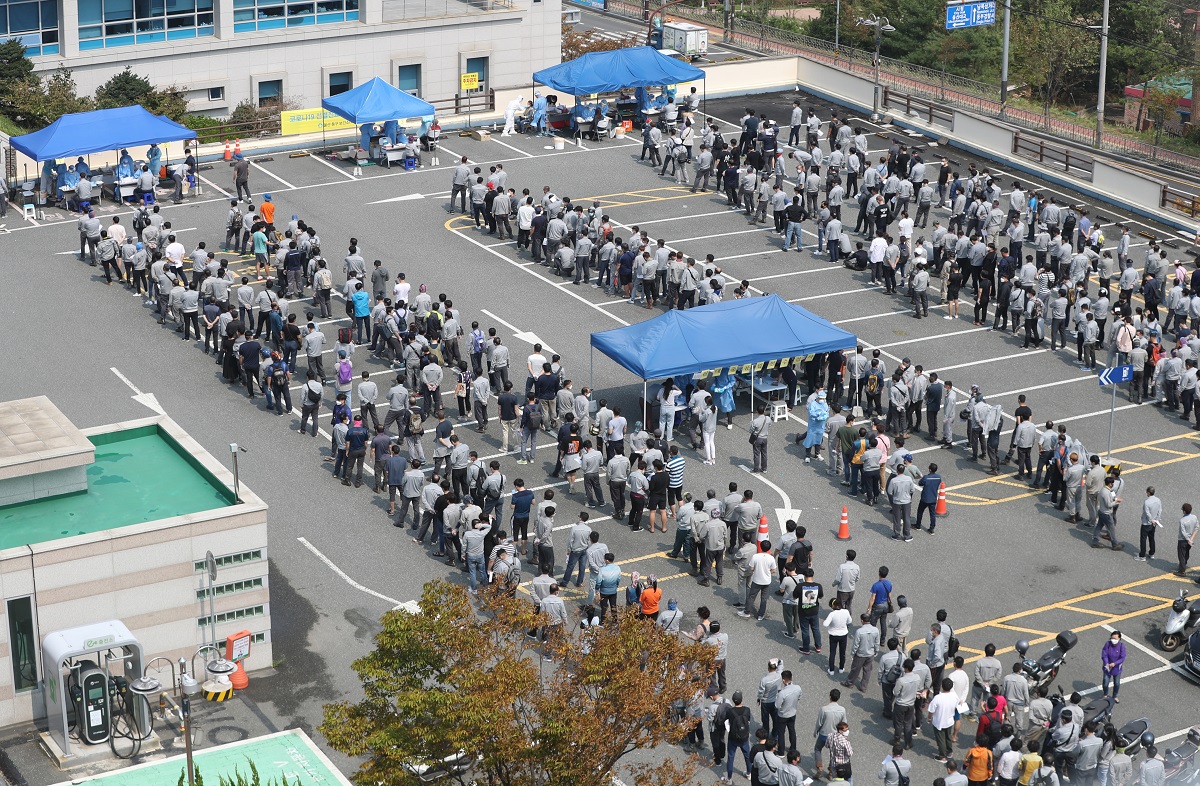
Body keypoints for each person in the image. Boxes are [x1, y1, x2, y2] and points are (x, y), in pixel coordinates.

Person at [1100, 631, 1126, 702]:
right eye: (1112, 638)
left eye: (1115, 638)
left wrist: (1114, 663)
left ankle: (1114, 696)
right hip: (1107, 668)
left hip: (1117, 668)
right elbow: (1104, 654)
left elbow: (1122, 657)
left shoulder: (1121, 646)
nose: (1113, 640)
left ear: (1119, 639)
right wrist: (1107, 663)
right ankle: (1105, 694)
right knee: (1105, 682)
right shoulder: (1107, 644)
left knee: (1117, 683)